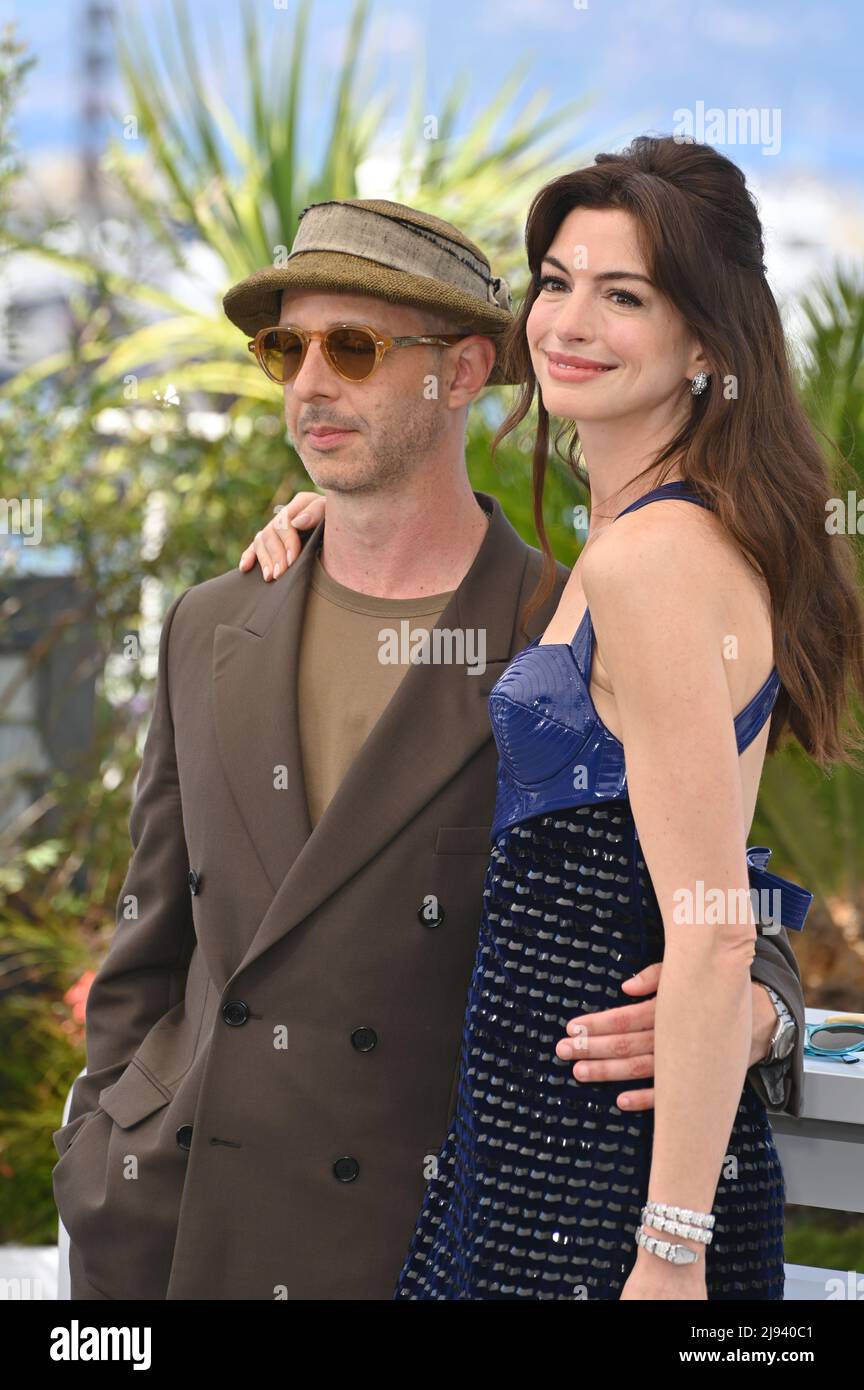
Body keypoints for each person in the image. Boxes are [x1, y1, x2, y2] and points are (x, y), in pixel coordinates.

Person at [54, 196, 805, 1302]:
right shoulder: (213, 623)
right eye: (285, 348)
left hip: (431, 1240)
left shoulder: (571, 629)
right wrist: (101, 1152)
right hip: (183, 1231)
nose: (311, 382)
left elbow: (724, 900)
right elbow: (148, 940)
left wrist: (763, 1009)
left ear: (460, 373)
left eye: (353, 348)